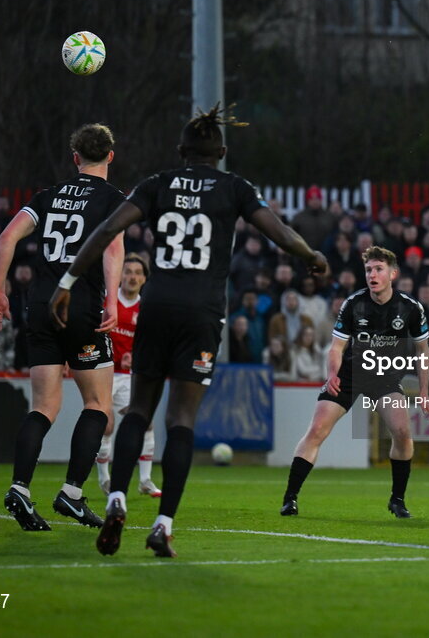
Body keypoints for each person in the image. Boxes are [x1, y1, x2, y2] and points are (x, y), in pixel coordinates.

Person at [50, 105, 327, 558]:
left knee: (138, 410)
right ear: (220, 152)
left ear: (181, 152)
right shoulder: (235, 187)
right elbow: (278, 232)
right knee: (181, 420)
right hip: (202, 314)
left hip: (157, 307)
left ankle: (116, 497)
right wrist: (312, 256)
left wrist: (66, 282)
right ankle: (162, 525)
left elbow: (105, 230)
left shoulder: (157, 184)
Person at [0, 123, 126, 532]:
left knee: (43, 407)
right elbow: (114, 248)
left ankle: (20, 488)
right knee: (98, 404)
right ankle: (72, 494)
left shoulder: (47, 197)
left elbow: (7, 238)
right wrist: (112, 299)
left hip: (40, 304)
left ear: (75, 158)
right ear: (111, 157)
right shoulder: (112, 198)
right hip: (80, 304)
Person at [280, 246, 429, 519]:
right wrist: (332, 375)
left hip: (385, 377)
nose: (372, 275)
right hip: (350, 374)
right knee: (317, 430)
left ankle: (397, 500)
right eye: (368, 270)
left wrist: (424, 392)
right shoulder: (353, 304)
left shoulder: (410, 308)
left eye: (378, 269)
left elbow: (424, 352)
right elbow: (336, 348)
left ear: (392, 274)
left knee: (402, 433)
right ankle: (290, 498)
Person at [96, 254, 162, 499]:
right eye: (128, 272)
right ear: (119, 275)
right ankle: (104, 479)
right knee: (107, 424)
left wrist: (136, 356)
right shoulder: (107, 301)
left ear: (144, 279)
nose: (132, 277)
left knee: (146, 422)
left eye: (137, 273)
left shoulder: (147, 308)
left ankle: (145, 480)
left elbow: (151, 342)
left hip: (127, 376)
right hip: (102, 372)